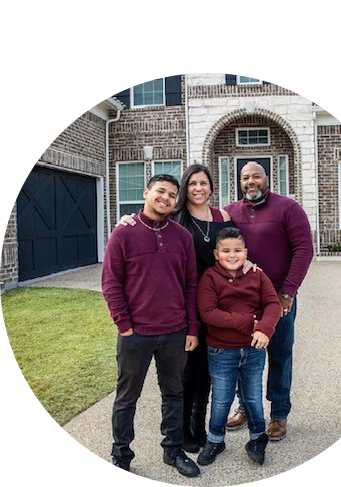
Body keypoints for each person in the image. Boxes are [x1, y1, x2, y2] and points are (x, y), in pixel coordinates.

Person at [116, 164, 236, 454]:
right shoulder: (176, 220)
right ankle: (175, 436)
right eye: (192, 183)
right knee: (184, 376)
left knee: (205, 375)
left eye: (203, 183)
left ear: (211, 186)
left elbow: (237, 249)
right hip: (184, 311)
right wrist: (127, 218)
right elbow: (146, 225)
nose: (198, 188)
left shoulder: (222, 217)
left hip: (214, 307)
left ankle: (195, 432)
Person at [102, 174, 201, 487]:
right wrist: (124, 325)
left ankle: (172, 451)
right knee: (126, 398)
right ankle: (121, 459)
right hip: (137, 334)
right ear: (146, 193)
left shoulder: (182, 237)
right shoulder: (124, 233)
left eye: (172, 195)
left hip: (174, 331)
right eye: (160, 191)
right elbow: (110, 282)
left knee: (174, 393)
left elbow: (190, 284)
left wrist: (191, 328)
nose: (166, 198)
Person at [225, 162, 313, 442]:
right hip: (242, 298)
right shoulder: (231, 212)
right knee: (243, 356)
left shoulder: (288, 208)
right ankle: (245, 406)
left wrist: (288, 292)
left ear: (267, 179)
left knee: (279, 354)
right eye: (245, 178)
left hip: (278, 297)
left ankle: (279, 413)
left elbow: (304, 249)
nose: (250, 181)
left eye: (255, 177)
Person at [196, 227, 280, 466]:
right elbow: (208, 313)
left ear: (246, 252)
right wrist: (247, 322)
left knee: (253, 397)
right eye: (226, 251)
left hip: (253, 350)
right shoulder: (210, 278)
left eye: (237, 250)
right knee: (221, 399)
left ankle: (257, 437)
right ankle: (215, 439)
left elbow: (273, 303)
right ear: (216, 253)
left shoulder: (257, 275)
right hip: (222, 351)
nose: (232, 255)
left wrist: (264, 329)